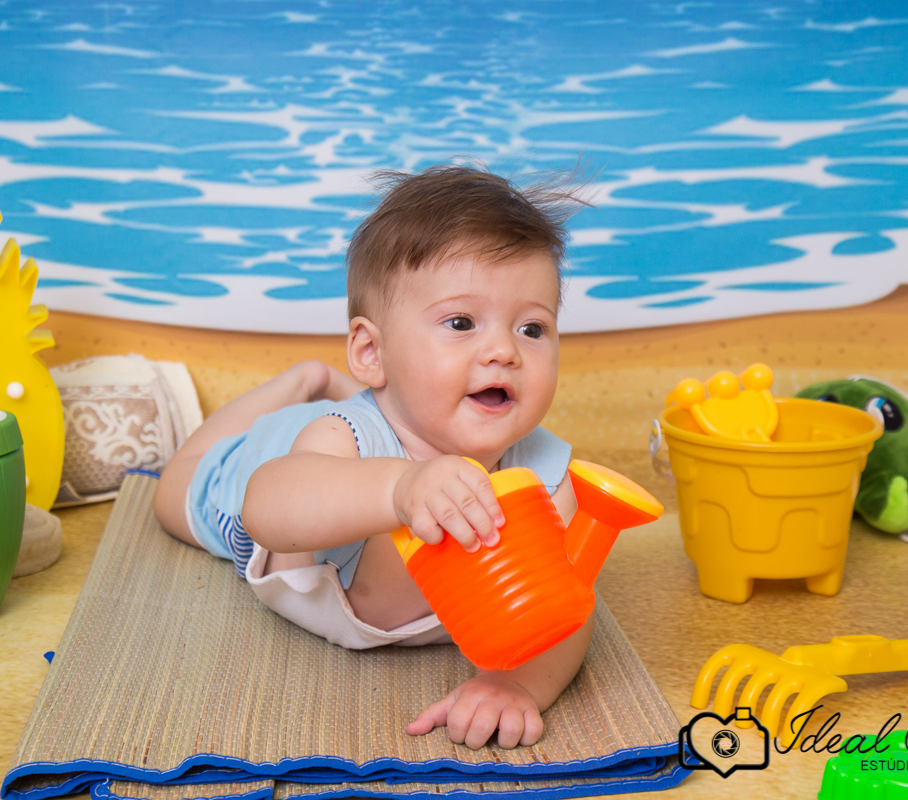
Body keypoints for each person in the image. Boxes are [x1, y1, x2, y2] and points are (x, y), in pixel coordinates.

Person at [154, 164, 588, 751]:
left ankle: (320, 379)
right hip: (267, 467)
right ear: (371, 350)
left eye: (533, 328)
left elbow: (567, 610)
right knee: (174, 490)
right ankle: (303, 380)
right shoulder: (346, 440)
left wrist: (517, 686)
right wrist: (398, 490)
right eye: (462, 322)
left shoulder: (547, 477)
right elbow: (269, 502)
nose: (503, 351)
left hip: (357, 436)